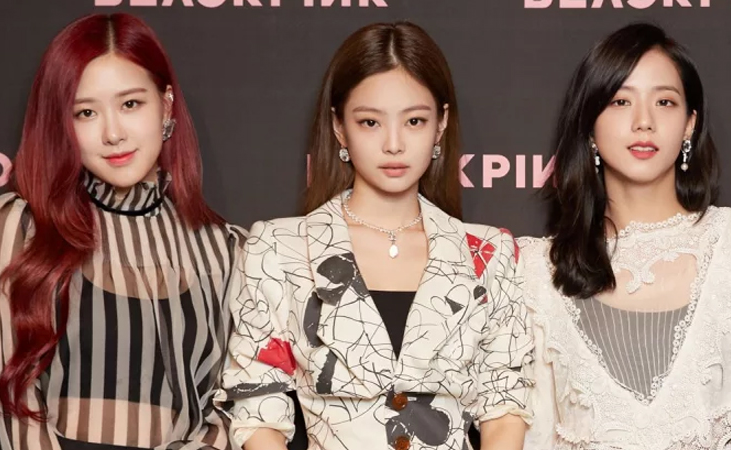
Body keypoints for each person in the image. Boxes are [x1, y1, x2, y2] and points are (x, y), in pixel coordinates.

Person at [217, 21, 533, 450]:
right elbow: (257, 406)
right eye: (370, 122)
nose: (394, 144)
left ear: (441, 124)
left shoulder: (488, 255)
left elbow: (503, 402)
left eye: (415, 121)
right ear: (339, 127)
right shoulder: (279, 249)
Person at [0, 13, 241, 450]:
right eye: (86, 112)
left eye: (130, 104)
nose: (113, 133)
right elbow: (11, 408)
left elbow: (237, 409)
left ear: (166, 105)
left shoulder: (227, 248)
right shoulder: (20, 227)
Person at [520, 22, 731, 450]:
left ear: (689, 124)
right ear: (589, 125)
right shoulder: (537, 274)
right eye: (620, 101)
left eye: (664, 102)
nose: (643, 122)